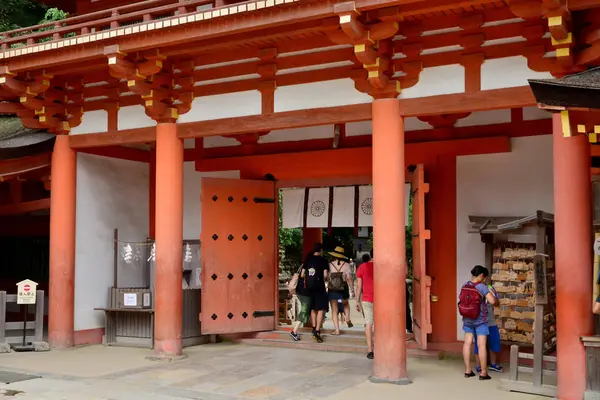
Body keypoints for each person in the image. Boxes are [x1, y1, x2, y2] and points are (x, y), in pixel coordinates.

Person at [459, 265, 497, 380]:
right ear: (481, 275)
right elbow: (492, 301)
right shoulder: (482, 287)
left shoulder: (465, 285)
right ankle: (483, 373)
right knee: (481, 346)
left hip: (467, 319)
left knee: (467, 344)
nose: (485, 280)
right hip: (480, 320)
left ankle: (468, 370)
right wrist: (490, 293)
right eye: (484, 277)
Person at [292, 243, 328, 343]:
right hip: (320, 287)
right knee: (321, 309)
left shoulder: (308, 260)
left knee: (312, 309)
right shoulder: (323, 260)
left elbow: (302, 275)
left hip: (309, 288)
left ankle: (313, 327)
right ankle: (317, 331)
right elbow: (325, 275)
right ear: (321, 250)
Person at [474, 280, 503, 373]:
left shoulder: (490, 287)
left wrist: (493, 295)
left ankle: (493, 364)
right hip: (479, 321)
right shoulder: (474, 288)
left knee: (494, 341)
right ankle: (478, 365)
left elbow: (497, 303)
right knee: (478, 344)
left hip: (491, 321)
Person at [327, 246, 354, 334]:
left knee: (334, 309)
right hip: (343, 288)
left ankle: (337, 330)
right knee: (345, 304)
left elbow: (327, 277)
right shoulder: (346, 264)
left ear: (334, 255)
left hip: (333, 289)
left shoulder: (330, 264)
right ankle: (347, 318)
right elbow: (349, 277)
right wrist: (352, 290)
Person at [356, 250, 374, 359]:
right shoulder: (381, 267)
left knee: (368, 323)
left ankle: (370, 350)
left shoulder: (362, 267)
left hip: (367, 298)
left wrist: (357, 301)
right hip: (381, 299)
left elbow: (359, 286)